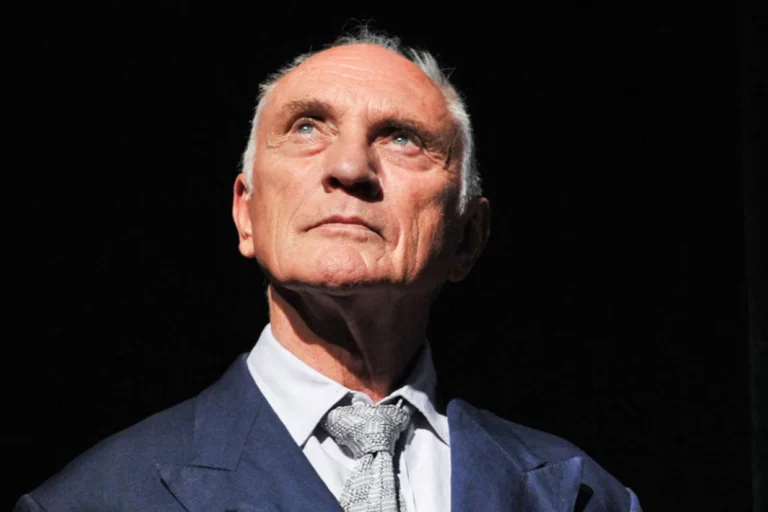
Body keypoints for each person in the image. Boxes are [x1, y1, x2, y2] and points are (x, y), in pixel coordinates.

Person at [15, 28, 643, 512]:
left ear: (467, 238)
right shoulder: (94, 500)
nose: (349, 168)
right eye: (307, 127)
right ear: (247, 215)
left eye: (402, 138)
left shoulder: (583, 497)